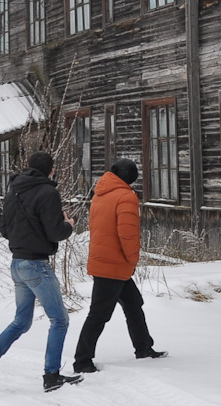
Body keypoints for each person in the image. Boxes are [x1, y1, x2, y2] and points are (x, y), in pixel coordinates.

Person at [0, 151, 81, 393]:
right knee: (60, 320)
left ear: (28, 167)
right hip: (36, 265)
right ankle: (51, 376)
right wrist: (69, 225)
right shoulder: (48, 193)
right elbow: (56, 233)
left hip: (17, 264)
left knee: (21, 321)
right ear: (51, 171)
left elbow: (4, 230)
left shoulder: (14, 190)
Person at [71, 159, 166, 373]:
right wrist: (133, 259)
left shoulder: (100, 194)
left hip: (104, 260)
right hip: (113, 264)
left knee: (133, 304)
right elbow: (128, 234)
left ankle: (143, 348)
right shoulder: (126, 197)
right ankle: (82, 361)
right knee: (99, 314)